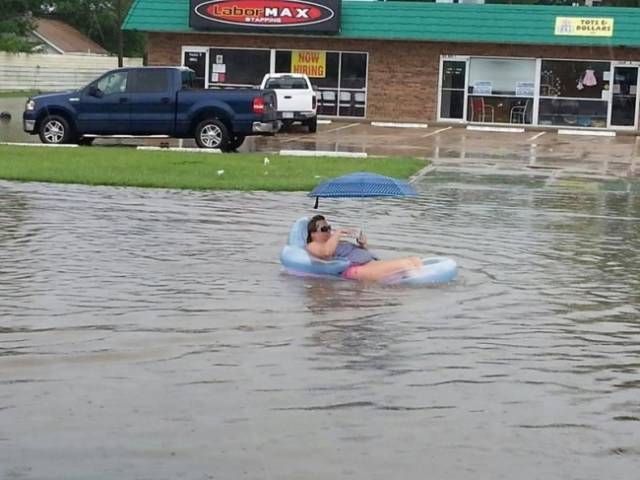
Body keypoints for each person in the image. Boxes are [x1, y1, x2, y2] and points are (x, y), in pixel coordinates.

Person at [306, 214, 423, 282]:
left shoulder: (335, 241)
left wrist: (362, 244)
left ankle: (416, 278)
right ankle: (421, 286)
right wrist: (339, 232)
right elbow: (326, 252)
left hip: (370, 263)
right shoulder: (313, 245)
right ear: (313, 234)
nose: (328, 231)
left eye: (329, 227)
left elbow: (361, 252)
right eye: (324, 229)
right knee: (405, 265)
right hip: (356, 268)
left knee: (415, 260)